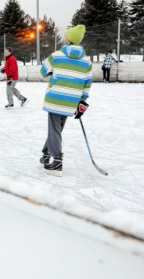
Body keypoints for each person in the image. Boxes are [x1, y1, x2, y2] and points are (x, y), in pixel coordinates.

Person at [39, 25, 92, 176]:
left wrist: (54, 70)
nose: (64, 37)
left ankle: (56, 162)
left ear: (69, 39)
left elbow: (43, 72)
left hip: (55, 98)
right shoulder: (87, 61)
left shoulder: (56, 56)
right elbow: (87, 83)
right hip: (71, 101)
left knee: (54, 129)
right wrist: (82, 102)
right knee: (56, 129)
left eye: (66, 36)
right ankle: (46, 154)